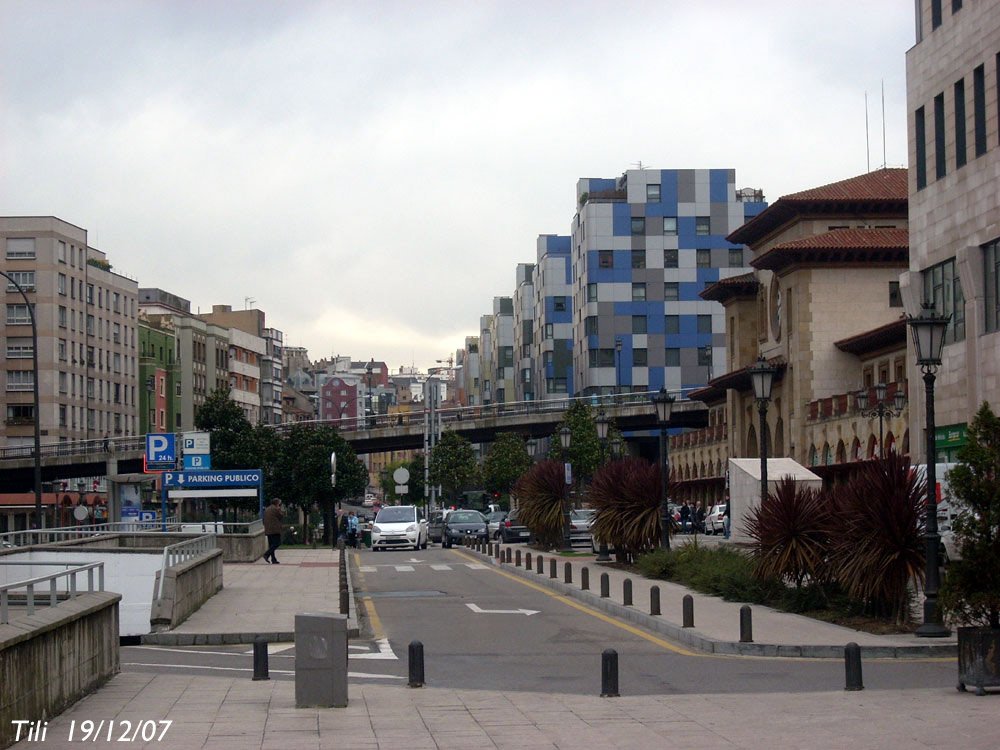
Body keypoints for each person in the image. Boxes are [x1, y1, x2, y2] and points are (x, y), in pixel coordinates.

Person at [263, 497, 284, 564]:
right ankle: (266, 554)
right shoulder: (276, 509)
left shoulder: (267, 509)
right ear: (277, 503)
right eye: (279, 503)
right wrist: (279, 509)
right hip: (275, 529)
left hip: (268, 529)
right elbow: (281, 516)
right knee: (277, 543)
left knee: (271, 544)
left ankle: (273, 559)